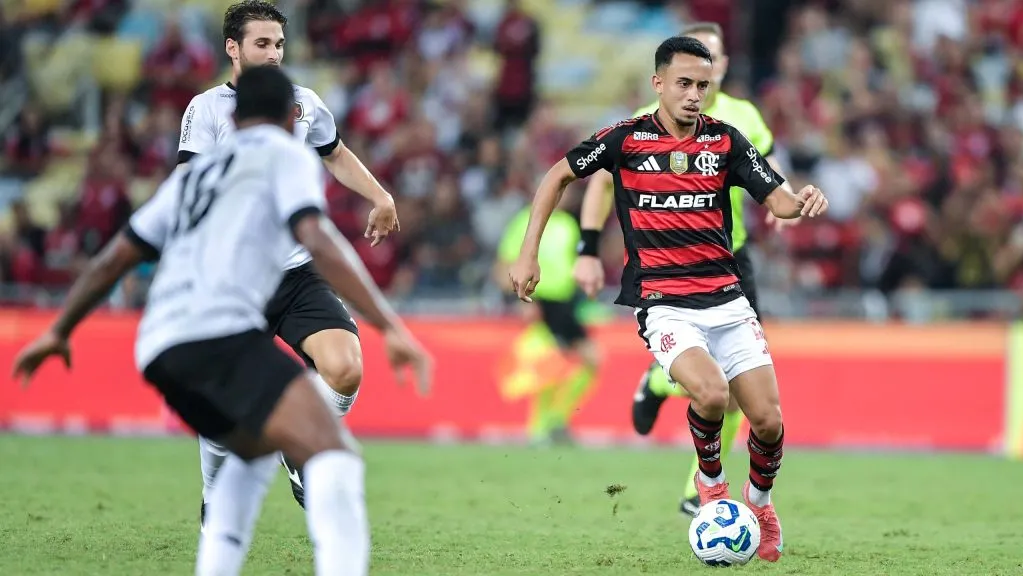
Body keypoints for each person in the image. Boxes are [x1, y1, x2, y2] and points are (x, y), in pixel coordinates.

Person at [11, 66, 414, 576]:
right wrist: (389, 324)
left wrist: (58, 330)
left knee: (244, 465)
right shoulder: (284, 152)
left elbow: (114, 258)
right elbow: (317, 237)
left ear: (235, 115)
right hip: (220, 329)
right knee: (333, 458)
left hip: (159, 342)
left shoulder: (195, 175)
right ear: (292, 117)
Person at [508, 36, 830, 562]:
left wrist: (803, 200)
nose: (693, 95)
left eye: (702, 85)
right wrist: (529, 255)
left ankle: (761, 505)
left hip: (727, 299)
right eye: (683, 83)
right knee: (711, 394)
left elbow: (779, 199)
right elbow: (558, 175)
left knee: (769, 422)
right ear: (658, 83)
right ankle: (712, 490)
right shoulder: (626, 139)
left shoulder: (727, 141)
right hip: (665, 302)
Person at [176, 0, 427, 516]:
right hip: (234, 279)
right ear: (233, 47)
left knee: (346, 368)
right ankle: (213, 500)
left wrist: (381, 196)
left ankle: (298, 448)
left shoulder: (305, 103)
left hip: (294, 272)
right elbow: (188, 188)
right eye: (261, 43)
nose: (273, 53)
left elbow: (333, 151)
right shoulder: (205, 110)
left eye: (279, 44)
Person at [573, 21, 797, 517]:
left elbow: (773, 170)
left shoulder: (741, 121)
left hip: (729, 262)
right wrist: (588, 247)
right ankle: (700, 476)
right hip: (665, 274)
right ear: (667, 78)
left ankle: (704, 478)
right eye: (692, 71)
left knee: (745, 396)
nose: (704, 76)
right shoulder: (640, 126)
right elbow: (599, 180)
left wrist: (790, 204)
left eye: (712, 64)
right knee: (712, 388)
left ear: (722, 67)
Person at [495, 197, 599, 444]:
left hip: (565, 304)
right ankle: (540, 428)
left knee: (590, 360)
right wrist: (519, 299)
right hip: (538, 301)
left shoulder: (569, 225)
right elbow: (505, 264)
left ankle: (555, 420)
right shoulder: (525, 221)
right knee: (548, 365)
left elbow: (573, 267)